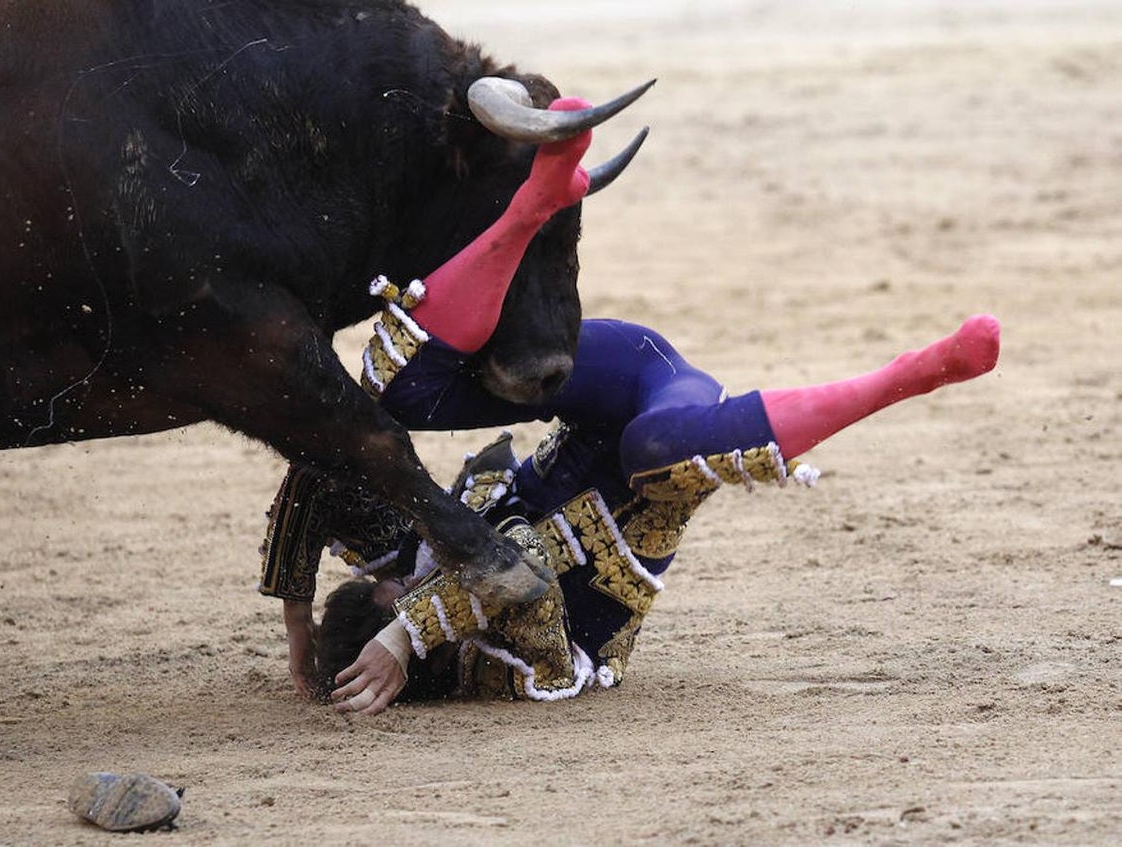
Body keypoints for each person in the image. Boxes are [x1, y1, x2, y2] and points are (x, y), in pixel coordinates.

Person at [255, 96, 1002, 709]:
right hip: (665, 438)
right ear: (409, 657)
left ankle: (532, 208)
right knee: (661, 452)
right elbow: (525, 575)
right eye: (399, 596)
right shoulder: (510, 670)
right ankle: (913, 374)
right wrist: (408, 632)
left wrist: (294, 600)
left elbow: (332, 454)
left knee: (394, 394)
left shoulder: (410, 562)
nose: (408, 579)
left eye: (397, 585)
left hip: (605, 382)